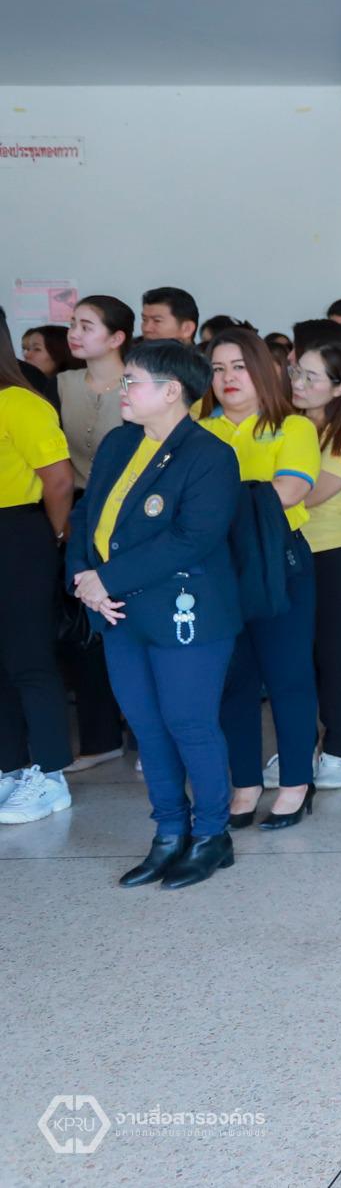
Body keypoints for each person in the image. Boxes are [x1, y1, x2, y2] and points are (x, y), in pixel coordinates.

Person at [69, 340, 243, 885]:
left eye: (133, 382)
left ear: (172, 392)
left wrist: (107, 578)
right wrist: (84, 580)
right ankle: (169, 832)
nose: (123, 391)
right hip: (118, 611)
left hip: (183, 611)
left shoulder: (209, 455)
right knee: (147, 726)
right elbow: (86, 515)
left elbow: (192, 538)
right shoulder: (121, 442)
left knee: (188, 724)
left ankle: (212, 835)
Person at [200, 327, 325, 829]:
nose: (228, 378)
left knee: (287, 675)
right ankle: (245, 783)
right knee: (234, 680)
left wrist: (210, 507)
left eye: (239, 366)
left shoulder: (291, 426)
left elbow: (290, 490)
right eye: (217, 368)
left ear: (263, 370)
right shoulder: (197, 429)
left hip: (277, 560)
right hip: (216, 565)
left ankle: (296, 781)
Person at [287, 331, 341, 795]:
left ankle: (339, 751)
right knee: (291, 659)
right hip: (282, 552)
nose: (298, 382)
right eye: (296, 372)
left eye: (311, 376)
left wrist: (262, 497)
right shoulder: (282, 425)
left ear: (339, 387)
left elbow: (308, 493)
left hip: (331, 554)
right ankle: (298, 747)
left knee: (335, 656)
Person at [0, 314, 76, 827]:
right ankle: (9, 766)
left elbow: (58, 480)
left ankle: (50, 775)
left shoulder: (19, 401)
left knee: (28, 656)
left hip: (18, 533)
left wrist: (53, 538)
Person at [56, 295, 136, 769]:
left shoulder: (140, 382)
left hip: (128, 513)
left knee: (130, 619)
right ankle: (100, 736)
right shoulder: (61, 383)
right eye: (72, 324)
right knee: (81, 628)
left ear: (116, 338)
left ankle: (146, 734)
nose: (74, 332)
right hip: (75, 507)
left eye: (87, 325)